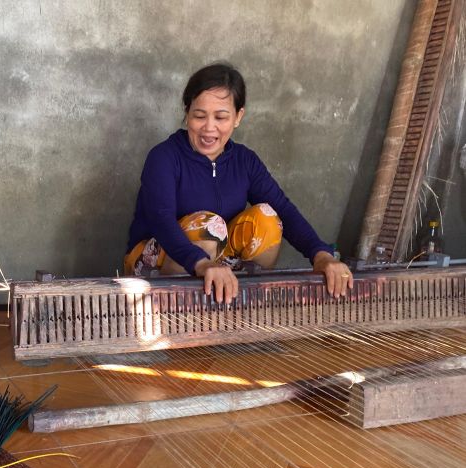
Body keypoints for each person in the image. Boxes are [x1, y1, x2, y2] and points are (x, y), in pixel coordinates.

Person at [125, 63, 353, 302]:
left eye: (221, 117)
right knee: (210, 225)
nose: (209, 127)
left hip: (214, 266)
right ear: (187, 112)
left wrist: (321, 255)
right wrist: (201, 263)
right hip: (156, 265)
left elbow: (284, 209)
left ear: (238, 117)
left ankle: (241, 305)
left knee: (267, 218)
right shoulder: (164, 157)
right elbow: (161, 220)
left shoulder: (245, 161)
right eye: (199, 116)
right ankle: (179, 311)